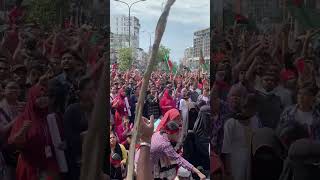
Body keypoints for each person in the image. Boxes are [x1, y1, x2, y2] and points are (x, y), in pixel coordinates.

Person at [135, 109, 206, 180]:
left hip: (143, 160)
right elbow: (179, 159)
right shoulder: (165, 144)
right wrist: (198, 172)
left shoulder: (159, 133)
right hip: (144, 165)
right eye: (177, 134)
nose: (179, 135)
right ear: (171, 133)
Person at [8, 85, 61, 180]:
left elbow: (60, 138)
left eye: (45, 95)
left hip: (49, 166)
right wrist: (23, 131)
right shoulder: (24, 118)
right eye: (38, 97)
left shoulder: (52, 117)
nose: (43, 99)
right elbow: (13, 143)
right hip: (31, 168)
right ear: (32, 98)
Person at [222, 94, 261, 180]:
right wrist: (228, 171)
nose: (248, 110)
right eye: (245, 107)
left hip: (251, 160)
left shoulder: (255, 121)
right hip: (235, 161)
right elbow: (226, 149)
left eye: (252, 107)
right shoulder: (231, 123)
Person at [63, 77, 96, 180]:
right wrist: (82, 136)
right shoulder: (72, 110)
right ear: (80, 92)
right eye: (89, 89)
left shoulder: (97, 109)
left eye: (93, 89)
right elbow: (68, 137)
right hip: (77, 159)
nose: (93, 92)